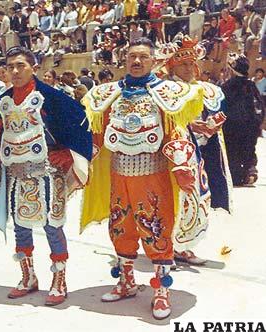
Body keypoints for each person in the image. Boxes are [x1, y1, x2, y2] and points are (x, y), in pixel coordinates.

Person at [80, 38, 204, 319]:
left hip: (154, 175)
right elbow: (97, 135)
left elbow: (176, 132)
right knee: (120, 227)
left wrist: (182, 166)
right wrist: (80, 164)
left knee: (157, 229)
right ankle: (126, 281)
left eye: (143, 57)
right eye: (131, 57)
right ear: (124, 60)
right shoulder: (109, 94)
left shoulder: (165, 93)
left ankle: (161, 290)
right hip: (118, 174)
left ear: (152, 61)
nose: (136, 62)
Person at [0, 46, 92, 306]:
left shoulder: (52, 97)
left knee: (52, 226)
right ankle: (28, 277)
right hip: (16, 175)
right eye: (10, 66)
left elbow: (82, 123)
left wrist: (69, 154)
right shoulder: (2, 100)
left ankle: (59, 281)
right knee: (21, 228)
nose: (15, 71)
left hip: (48, 174)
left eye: (21, 65)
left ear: (34, 68)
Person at [163, 34, 232, 265]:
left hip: (199, 153)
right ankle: (166, 247)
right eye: (183, 63)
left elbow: (214, 114)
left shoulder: (206, 89)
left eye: (192, 63)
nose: (190, 67)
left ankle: (183, 246)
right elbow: (165, 118)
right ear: (172, 66)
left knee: (197, 199)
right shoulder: (164, 90)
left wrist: (213, 126)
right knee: (171, 199)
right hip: (172, 155)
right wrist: (191, 125)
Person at [222, 53, 265, 186]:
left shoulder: (227, 86)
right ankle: (250, 171)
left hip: (232, 127)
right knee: (249, 150)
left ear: (232, 70)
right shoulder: (251, 85)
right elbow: (259, 105)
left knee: (233, 151)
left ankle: (237, 176)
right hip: (251, 126)